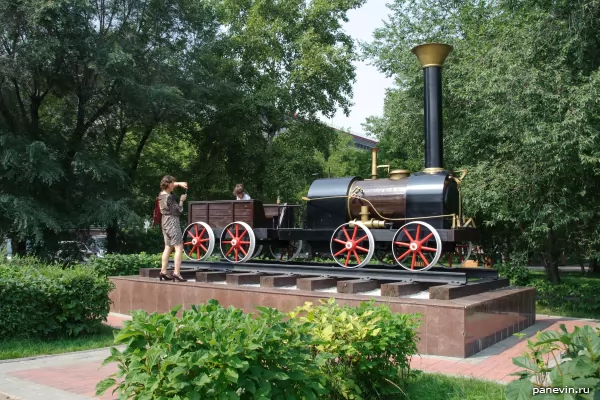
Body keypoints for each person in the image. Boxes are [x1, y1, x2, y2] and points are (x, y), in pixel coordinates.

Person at [157, 175, 188, 282]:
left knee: (167, 247)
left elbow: (170, 184)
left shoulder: (161, 194)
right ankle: (176, 273)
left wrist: (179, 183)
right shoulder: (169, 197)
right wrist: (182, 200)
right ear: (169, 184)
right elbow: (178, 210)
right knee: (178, 246)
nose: (173, 186)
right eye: (172, 184)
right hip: (172, 222)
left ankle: (163, 271)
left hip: (164, 222)